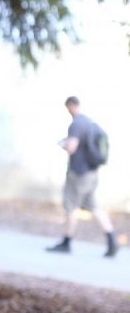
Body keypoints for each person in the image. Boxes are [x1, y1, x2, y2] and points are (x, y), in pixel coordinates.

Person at [47, 96, 118, 257]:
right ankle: (112, 238)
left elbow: (72, 147)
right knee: (94, 207)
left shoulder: (76, 124)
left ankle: (66, 242)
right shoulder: (89, 123)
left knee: (70, 206)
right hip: (91, 173)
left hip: (78, 174)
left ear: (71, 106)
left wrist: (62, 144)